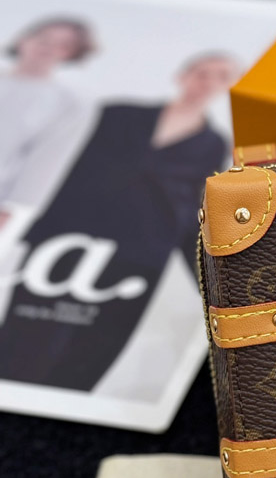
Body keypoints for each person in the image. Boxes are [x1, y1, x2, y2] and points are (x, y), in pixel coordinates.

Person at [0, 52, 238, 391]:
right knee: (25, 340)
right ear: (183, 75)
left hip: (139, 257)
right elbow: (56, 165)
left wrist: (211, 279)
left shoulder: (212, 144)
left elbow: (192, 210)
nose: (208, 81)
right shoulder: (115, 114)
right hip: (65, 240)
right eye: (202, 72)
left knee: (88, 354)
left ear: (227, 86)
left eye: (221, 76)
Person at [0, 18, 96, 243]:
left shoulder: (70, 103)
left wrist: (13, 212)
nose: (47, 47)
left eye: (63, 45)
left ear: (73, 54)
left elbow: (46, 164)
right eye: (43, 38)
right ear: (23, 39)